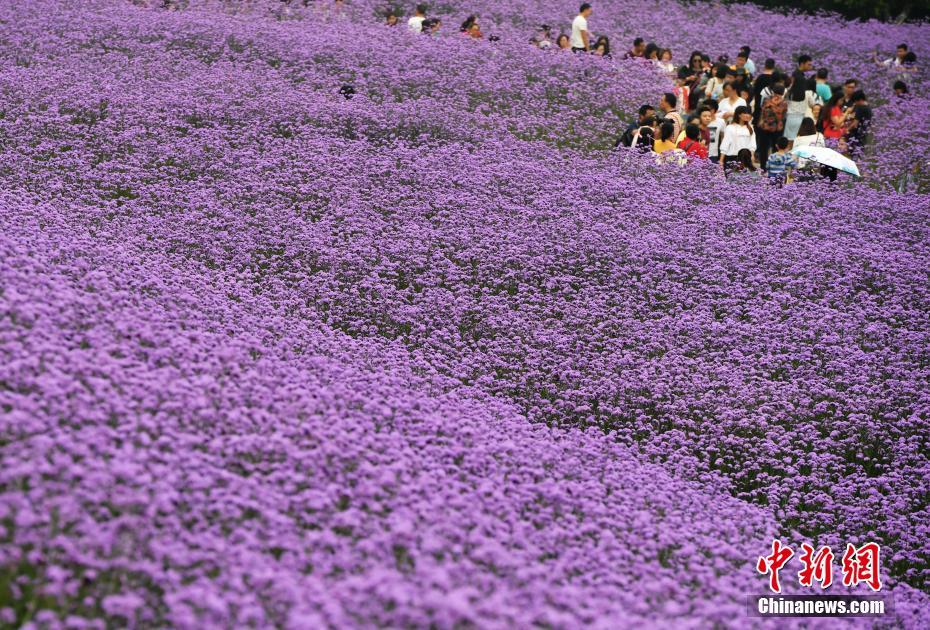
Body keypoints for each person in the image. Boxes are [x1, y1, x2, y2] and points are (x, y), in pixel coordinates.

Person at [757, 84, 787, 170]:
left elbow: (762, 111)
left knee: (765, 148)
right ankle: (774, 165)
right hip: (775, 128)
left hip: (766, 127)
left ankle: (764, 167)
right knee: (774, 147)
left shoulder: (767, 100)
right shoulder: (783, 102)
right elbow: (783, 116)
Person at [719, 105, 756, 174]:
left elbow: (752, 144)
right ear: (739, 115)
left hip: (746, 158)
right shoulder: (730, 128)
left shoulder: (750, 128)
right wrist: (721, 161)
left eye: (749, 113)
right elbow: (725, 144)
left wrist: (752, 155)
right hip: (732, 157)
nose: (748, 115)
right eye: (745, 113)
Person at [785, 70, 819, 142]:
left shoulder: (789, 93)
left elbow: (785, 104)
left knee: (789, 141)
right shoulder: (807, 93)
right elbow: (813, 104)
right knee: (799, 140)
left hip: (790, 118)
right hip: (801, 119)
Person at [846, 90, 871, 156]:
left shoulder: (860, 108)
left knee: (854, 153)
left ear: (860, 100)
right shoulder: (868, 107)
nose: (855, 103)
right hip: (864, 133)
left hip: (856, 135)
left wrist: (847, 129)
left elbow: (855, 124)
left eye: (856, 101)